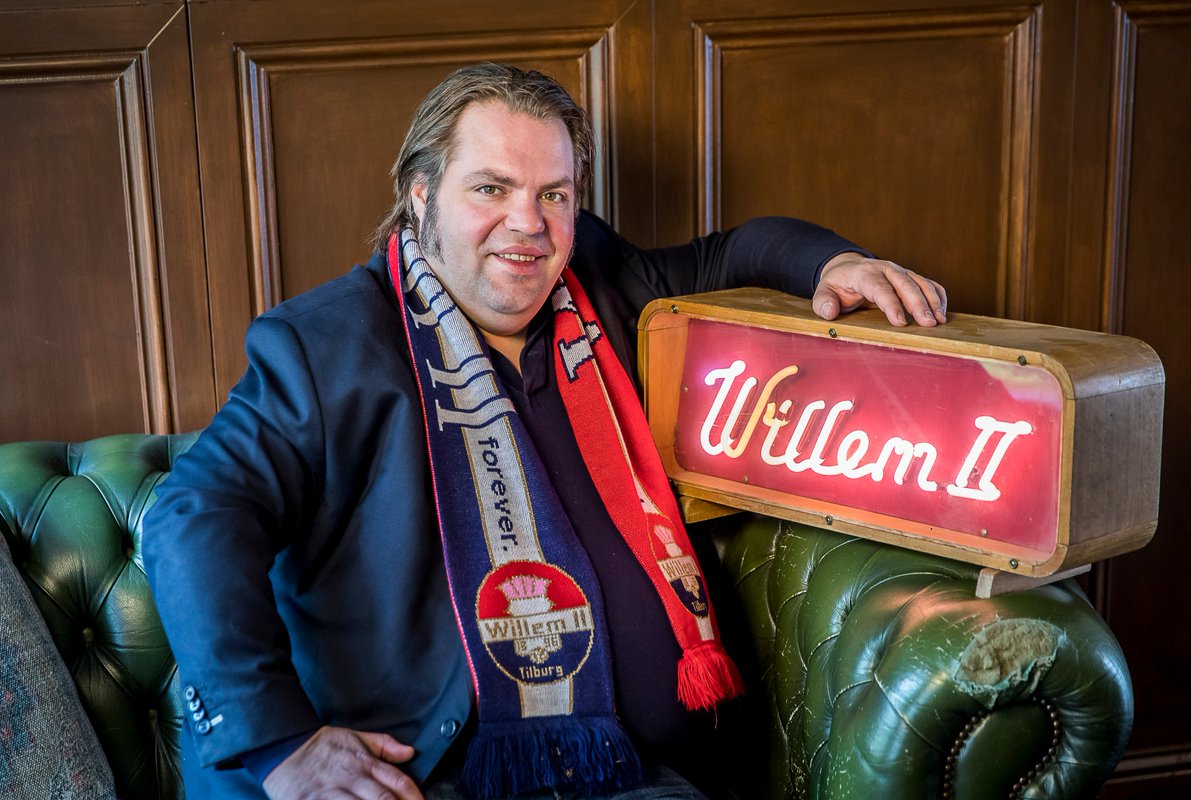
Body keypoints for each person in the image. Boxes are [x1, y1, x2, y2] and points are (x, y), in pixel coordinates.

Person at [143, 62, 947, 800]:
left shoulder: (596, 280)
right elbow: (194, 515)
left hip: (646, 775)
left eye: (554, 194)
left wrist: (835, 265)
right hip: (438, 775)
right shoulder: (325, 348)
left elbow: (728, 253)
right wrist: (280, 744)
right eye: (491, 188)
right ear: (421, 194)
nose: (527, 223)